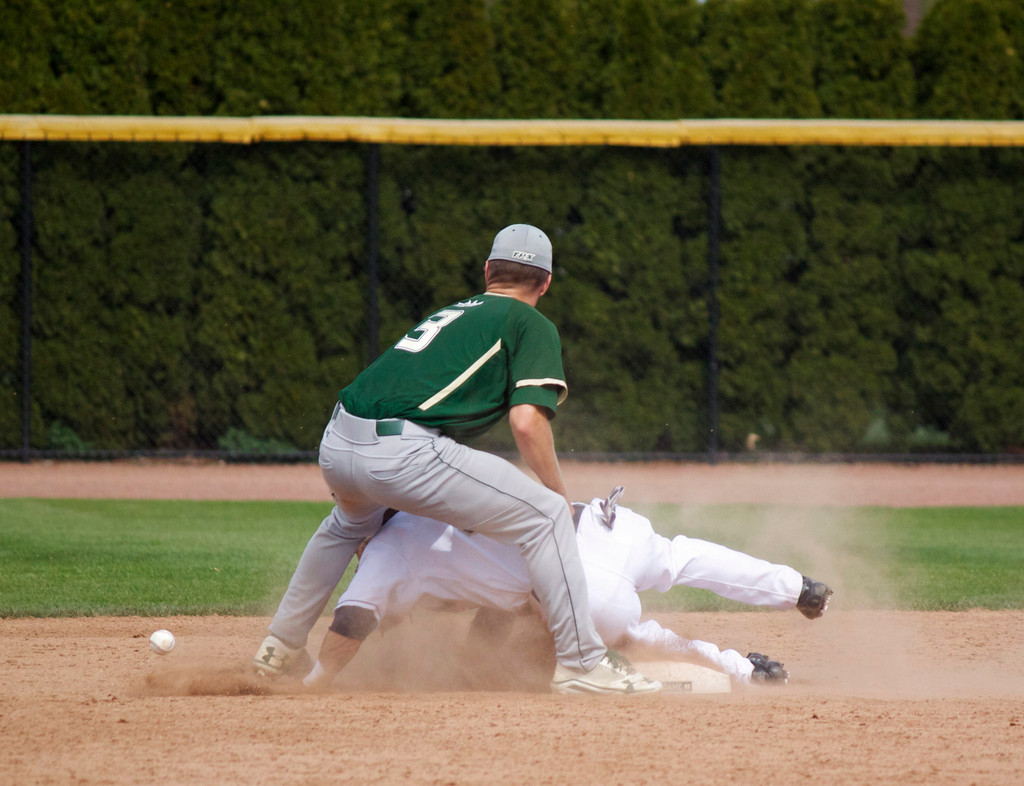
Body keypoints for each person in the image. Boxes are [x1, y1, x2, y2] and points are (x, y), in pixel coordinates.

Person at [254, 224, 658, 695]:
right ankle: (583, 665)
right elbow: (527, 422)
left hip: (338, 439)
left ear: (488, 271)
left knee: (347, 524)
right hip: (403, 452)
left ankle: (278, 649)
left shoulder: (455, 312)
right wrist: (558, 495)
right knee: (547, 517)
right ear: (545, 282)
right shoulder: (530, 323)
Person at [299, 487, 833, 690]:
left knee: (635, 635)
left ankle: (744, 670)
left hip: (580, 587)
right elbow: (491, 593)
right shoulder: (447, 498)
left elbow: (354, 620)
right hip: (606, 525)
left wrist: (319, 677)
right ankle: (799, 587)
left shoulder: (385, 552)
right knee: (685, 556)